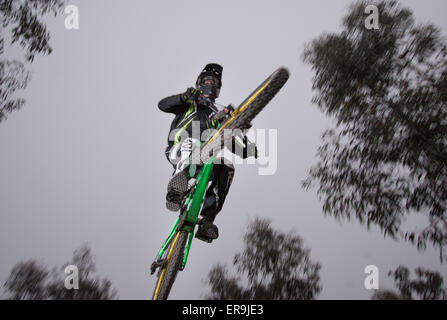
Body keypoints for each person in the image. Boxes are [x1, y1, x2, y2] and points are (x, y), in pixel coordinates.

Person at [158, 63, 257, 242]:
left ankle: (207, 221)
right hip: (179, 149)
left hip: (204, 161)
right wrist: (183, 97)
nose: (211, 85)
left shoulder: (217, 116)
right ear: (200, 83)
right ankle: (176, 190)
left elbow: (236, 147)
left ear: (218, 89)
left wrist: (246, 141)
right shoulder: (189, 102)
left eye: (215, 83)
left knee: (227, 166)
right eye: (208, 80)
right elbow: (162, 105)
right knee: (192, 142)